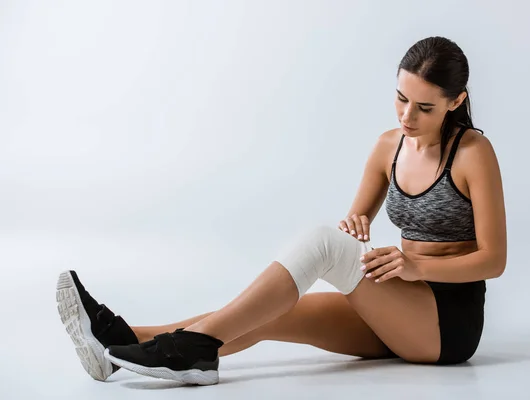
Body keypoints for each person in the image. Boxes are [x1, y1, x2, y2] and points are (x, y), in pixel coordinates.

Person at [56, 36, 506, 386]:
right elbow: (354, 228)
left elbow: (494, 259)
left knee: (323, 246)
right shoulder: (388, 147)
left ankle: (194, 350)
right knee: (268, 313)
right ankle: (120, 343)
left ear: (456, 101)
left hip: (446, 324)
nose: (407, 115)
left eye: (425, 107)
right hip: (398, 301)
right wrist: (358, 223)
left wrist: (413, 264)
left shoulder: (472, 153)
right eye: (401, 98)